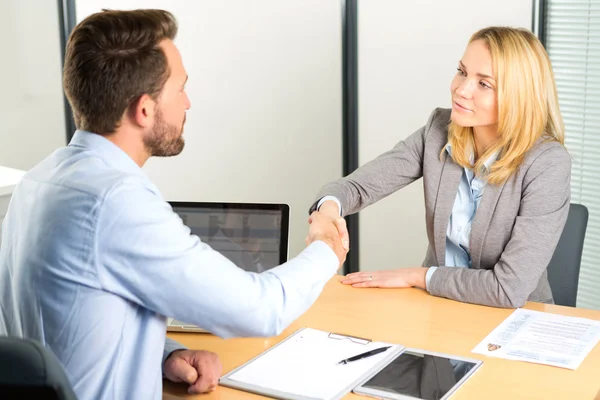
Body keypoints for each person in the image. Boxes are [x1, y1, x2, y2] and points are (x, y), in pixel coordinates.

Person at [0, 9, 348, 400]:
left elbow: (63, 327)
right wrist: (325, 248)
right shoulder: (116, 203)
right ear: (145, 110)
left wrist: (166, 354)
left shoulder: (40, 180)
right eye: (180, 88)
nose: (188, 102)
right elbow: (261, 308)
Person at [311, 26, 570, 308]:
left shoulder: (547, 163)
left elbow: (507, 289)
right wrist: (328, 212)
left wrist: (416, 276)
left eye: (484, 84)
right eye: (462, 71)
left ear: (518, 97)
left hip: (514, 323)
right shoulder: (439, 129)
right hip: (441, 311)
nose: (461, 89)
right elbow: (355, 186)